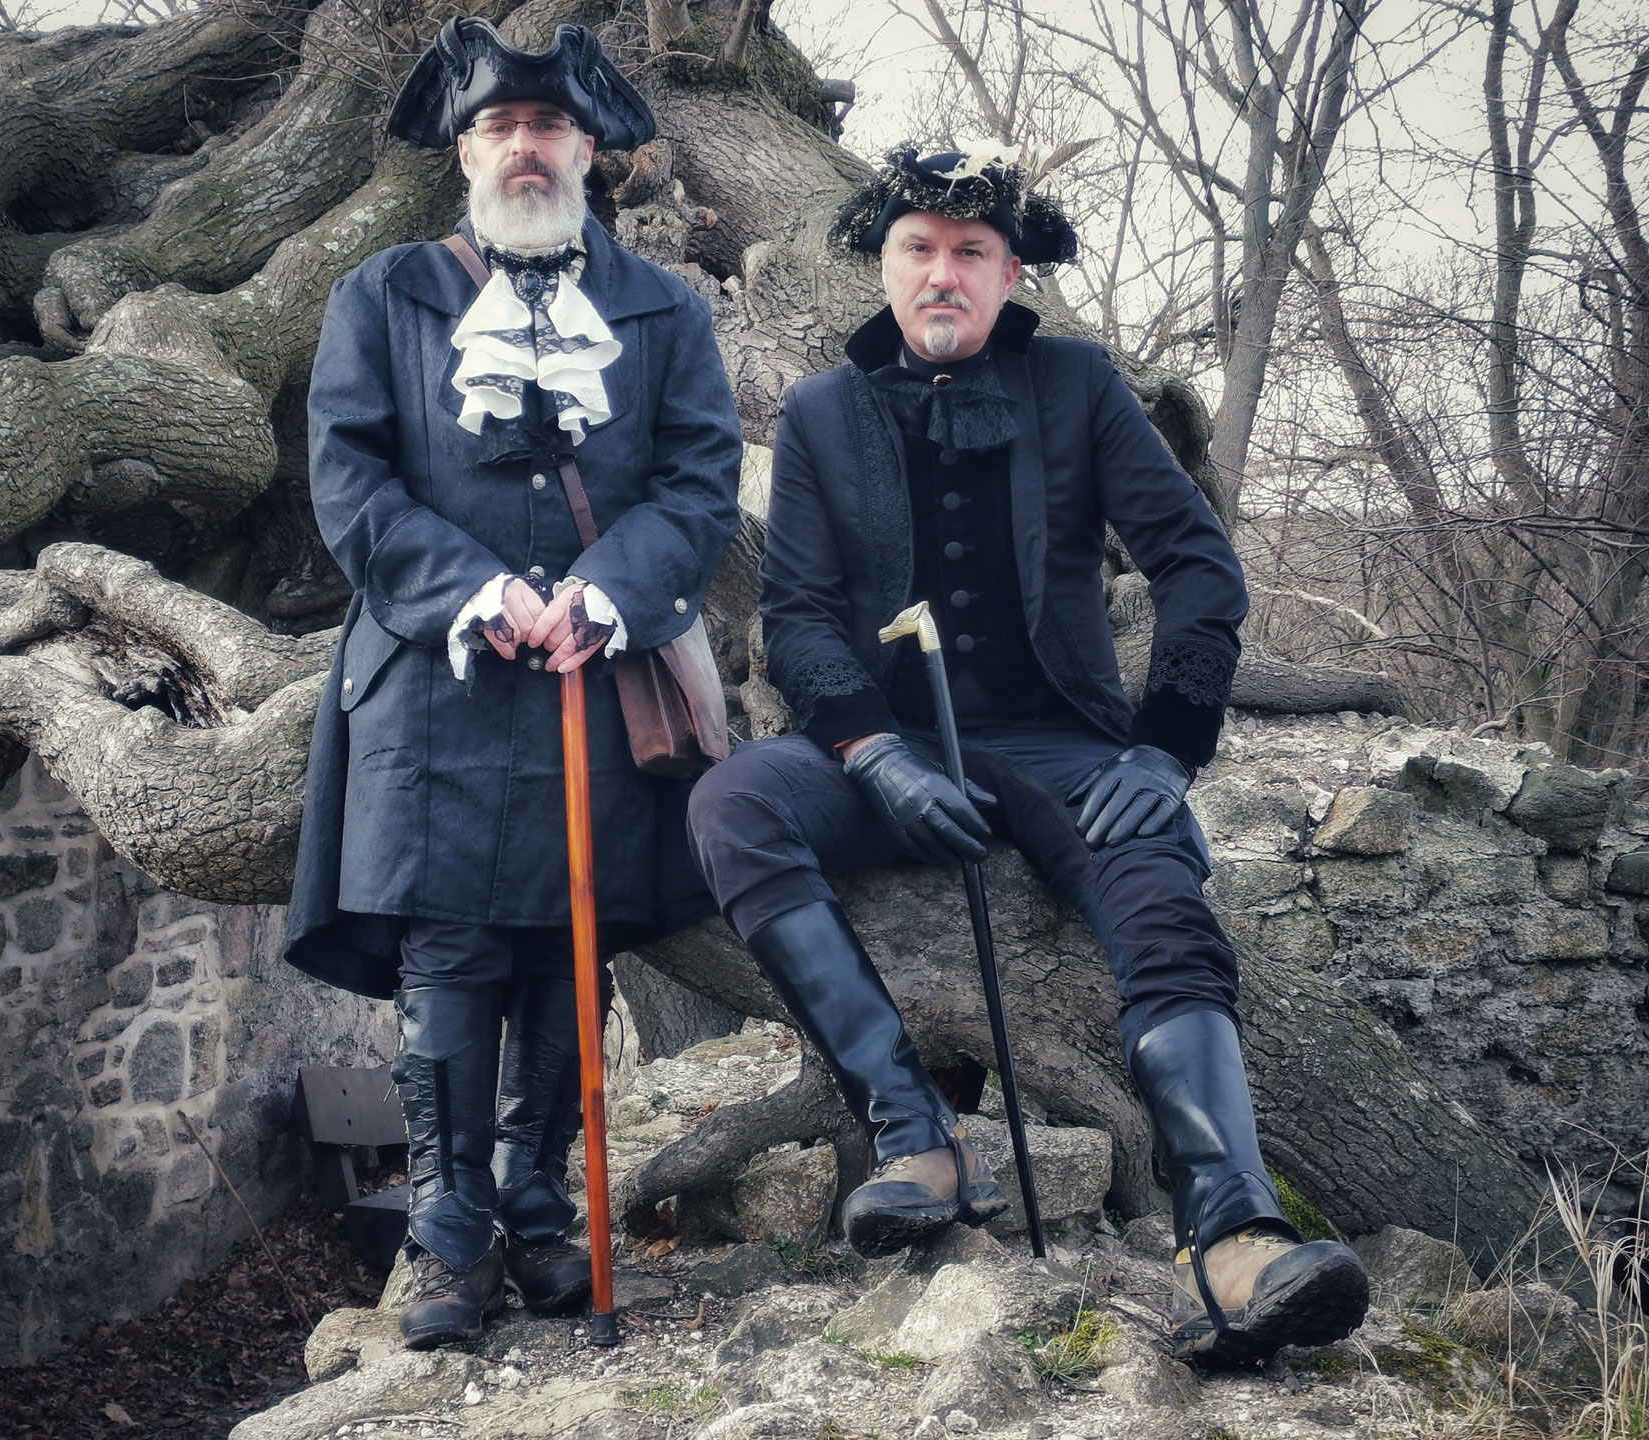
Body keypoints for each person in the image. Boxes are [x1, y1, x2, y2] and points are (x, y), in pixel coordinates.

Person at [686, 146, 1368, 1363]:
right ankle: (914, 1137)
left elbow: (1199, 569)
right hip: (885, 750)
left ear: (1008, 275)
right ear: (884, 264)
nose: (941, 275)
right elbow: (790, 614)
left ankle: (1233, 1229)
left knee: (1159, 889)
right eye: (918, 250)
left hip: (1064, 747)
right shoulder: (821, 412)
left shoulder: (1077, 386)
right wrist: (870, 751)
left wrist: (1165, 750)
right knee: (736, 802)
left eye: (969, 254)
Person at [282, 18, 741, 1349]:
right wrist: (482, 592)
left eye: (548, 127)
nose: (525, 147)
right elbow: (351, 480)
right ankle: (448, 1241)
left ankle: (541, 1218)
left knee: (561, 957)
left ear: (589, 149)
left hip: (594, 678)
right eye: (500, 127)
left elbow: (701, 481)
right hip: (438, 686)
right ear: (466, 150)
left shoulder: (663, 310)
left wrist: (602, 591)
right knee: (451, 958)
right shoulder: (383, 297)